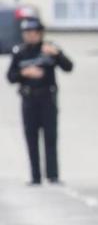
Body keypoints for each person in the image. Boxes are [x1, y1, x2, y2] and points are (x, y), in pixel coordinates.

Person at [6, 17, 73, 185]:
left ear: (40, 33)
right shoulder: (19, 52)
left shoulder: (49, 49)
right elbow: (10, 76)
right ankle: (35, 176)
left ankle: (53, 175)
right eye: (26, 33)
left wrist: (57, 54)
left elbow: (68, 67)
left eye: (33, 33)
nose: (30, 36)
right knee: (31, 137)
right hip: (28, 98)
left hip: (47, 98)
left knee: (50, 136)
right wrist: (24, 73)